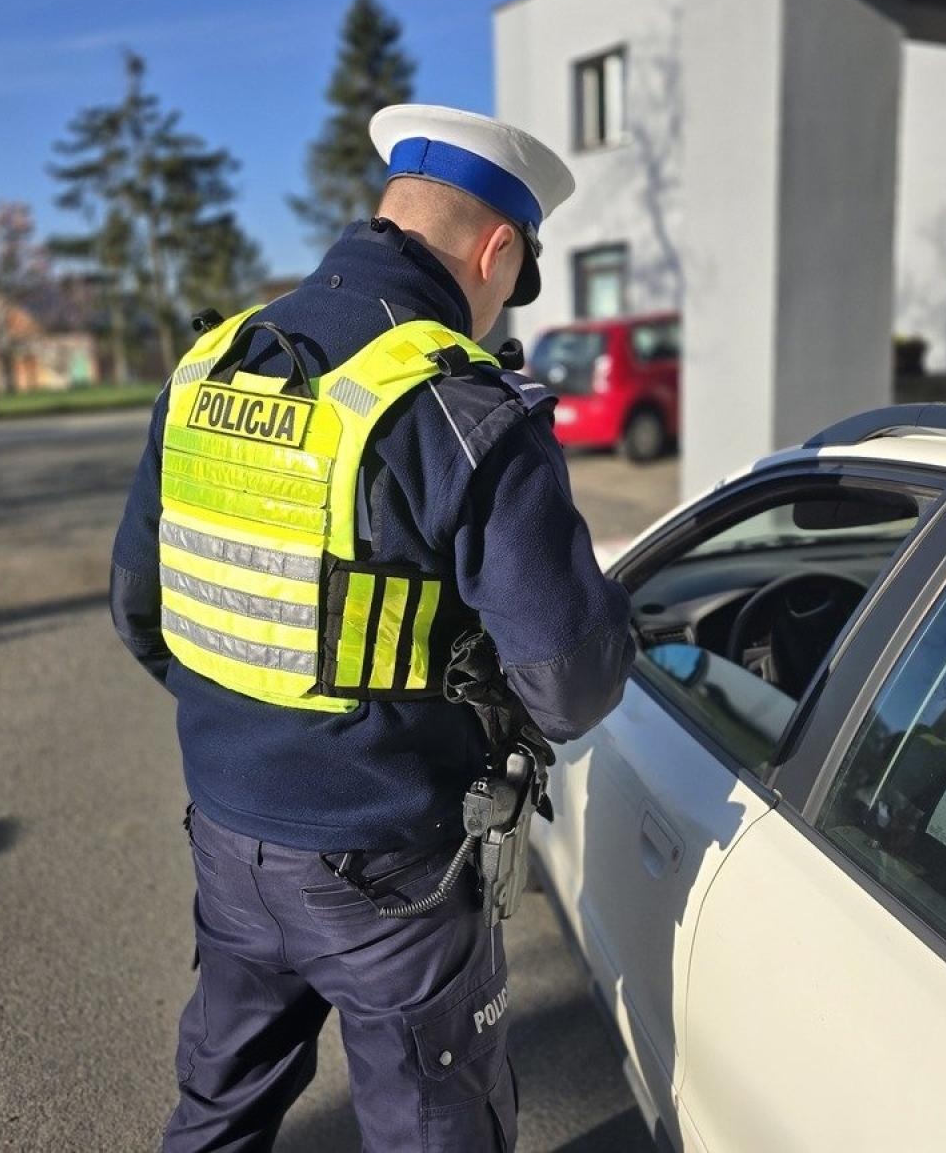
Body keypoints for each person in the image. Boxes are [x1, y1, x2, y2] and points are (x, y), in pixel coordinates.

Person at [108, 104, 635, 1151]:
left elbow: (140, 610)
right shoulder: (461, 404)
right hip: (389, 869)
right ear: (497, 250)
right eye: (508, 281)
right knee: (434, 1124)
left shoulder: (210, 364)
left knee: (218, 1108)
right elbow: (570, 685)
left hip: (224, 831)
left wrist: (261, 726)